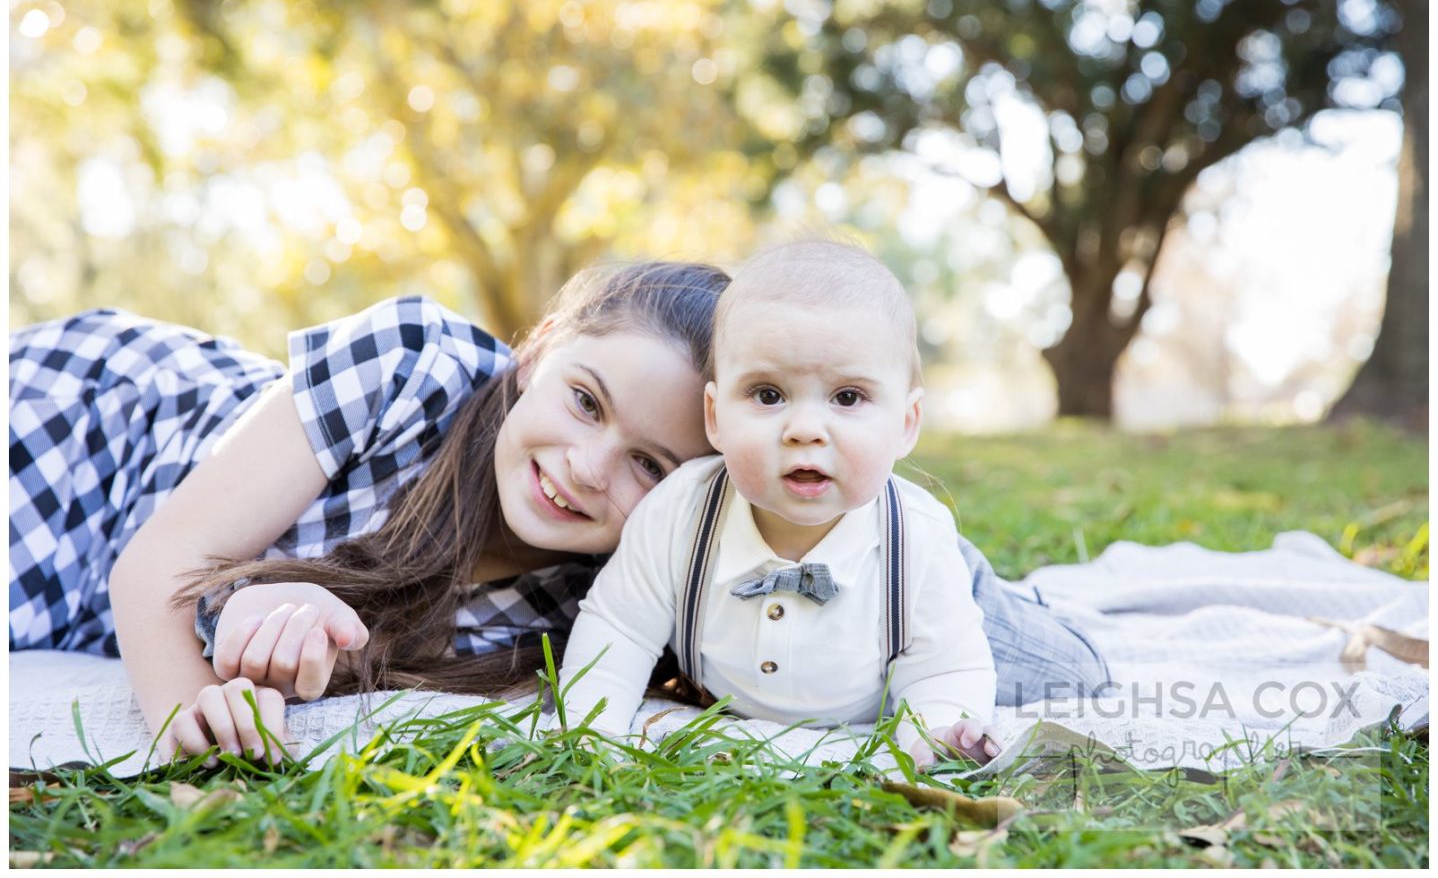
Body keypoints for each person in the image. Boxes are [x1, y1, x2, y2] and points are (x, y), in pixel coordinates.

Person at [8, 262, 726, 764]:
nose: (587, 466)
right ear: (536, 355)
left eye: (649, 465)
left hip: (100, 603)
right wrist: (194, 720)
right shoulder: (415, 365)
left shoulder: (592, 610)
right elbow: (158, 566)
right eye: (585, 401)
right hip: (82, 431)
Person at [559, 239, 1110, 766]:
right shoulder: (679, 513)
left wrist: (938, 732)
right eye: (768, 395)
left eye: (847, 397)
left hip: (921, 583)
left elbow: (946, 668)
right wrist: (589, 732)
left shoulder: (917, 538)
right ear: (714, 417)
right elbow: (619, 629)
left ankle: (1029, 601)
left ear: (905, 424)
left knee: (1078, 674)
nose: (804, 429)